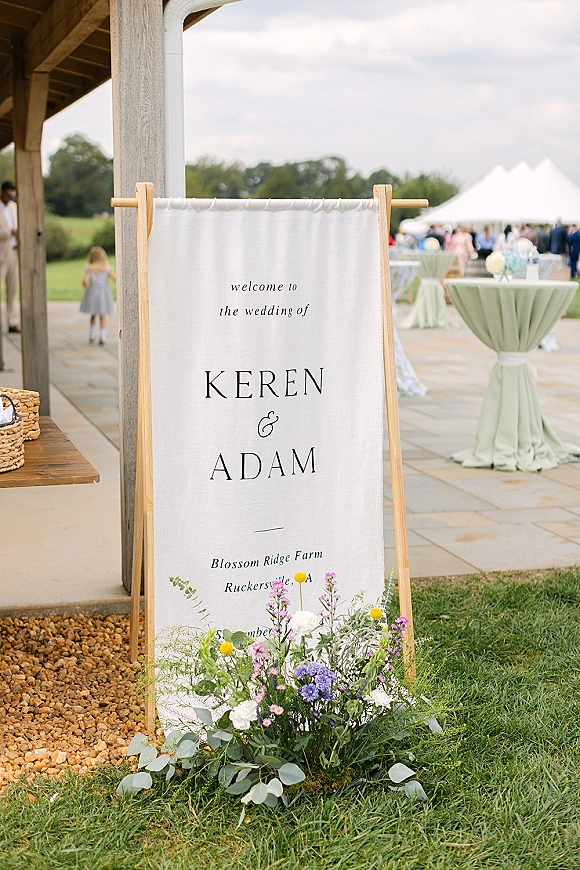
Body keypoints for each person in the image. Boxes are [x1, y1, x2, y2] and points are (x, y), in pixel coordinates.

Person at [79, 246, 115, 345]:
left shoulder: (90, 269)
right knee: (102, 315)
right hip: (103, 293)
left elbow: (85, 281)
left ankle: (92, 334)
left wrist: (85, 284)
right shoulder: (106, 269)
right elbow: (115, 278)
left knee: (93, 314)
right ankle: (102, 335)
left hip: (93, 293)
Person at [0, 180, 20, 333]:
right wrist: (8, 232)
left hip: (14, 251)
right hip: (1, 253)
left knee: (13, 290)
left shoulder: (14, 208)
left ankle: (12, 321)